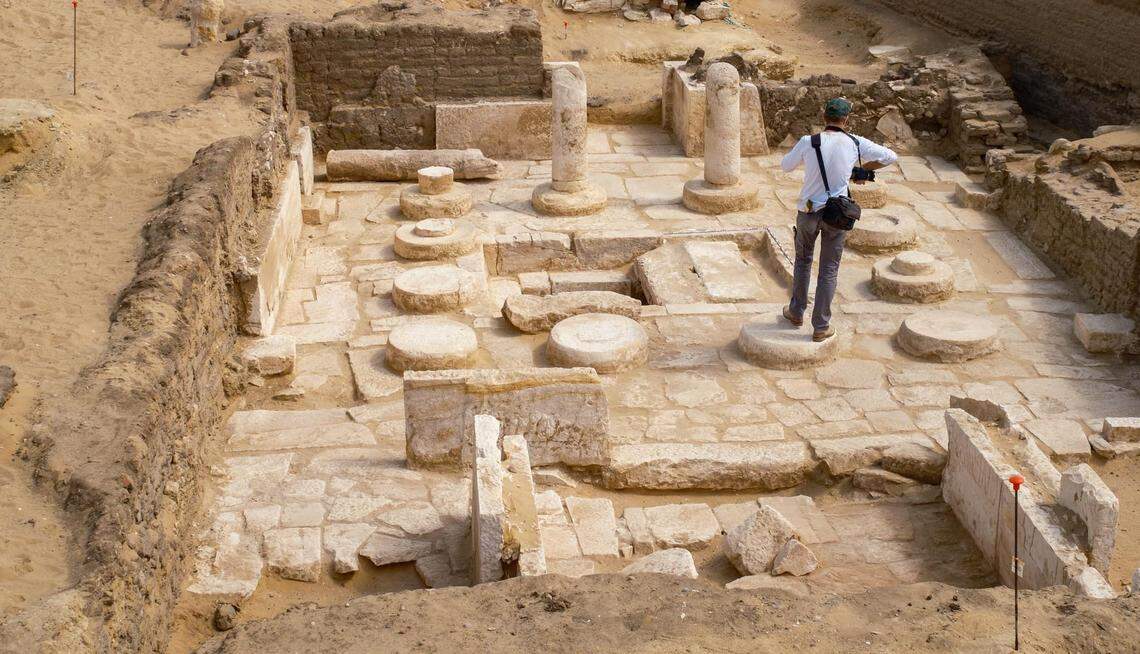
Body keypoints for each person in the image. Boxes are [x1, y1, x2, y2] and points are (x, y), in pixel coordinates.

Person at [779, 98, 898, 341]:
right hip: (837, 214)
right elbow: (890, 156)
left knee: (803, 261)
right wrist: (862, 171)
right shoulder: (855, 142)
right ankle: (821, 326)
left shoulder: (809, 141)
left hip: (809, 211)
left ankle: (796, 312)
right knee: (829, 270)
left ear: (824, 117)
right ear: (846, 119)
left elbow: (785, 166)